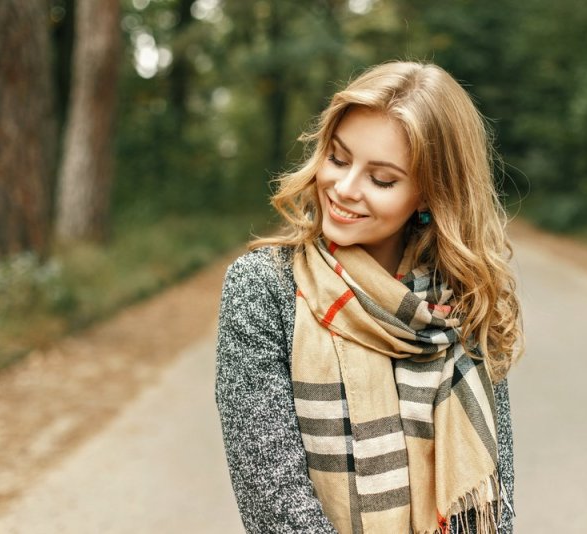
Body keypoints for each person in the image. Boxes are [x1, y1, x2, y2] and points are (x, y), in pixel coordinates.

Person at [215, 61, 522, 534]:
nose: (345, 188)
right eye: (338, 158)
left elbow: (493, 500)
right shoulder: (263, 286)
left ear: (428, 195)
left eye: (382, 179)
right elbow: (271, 497)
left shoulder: (462, 304)